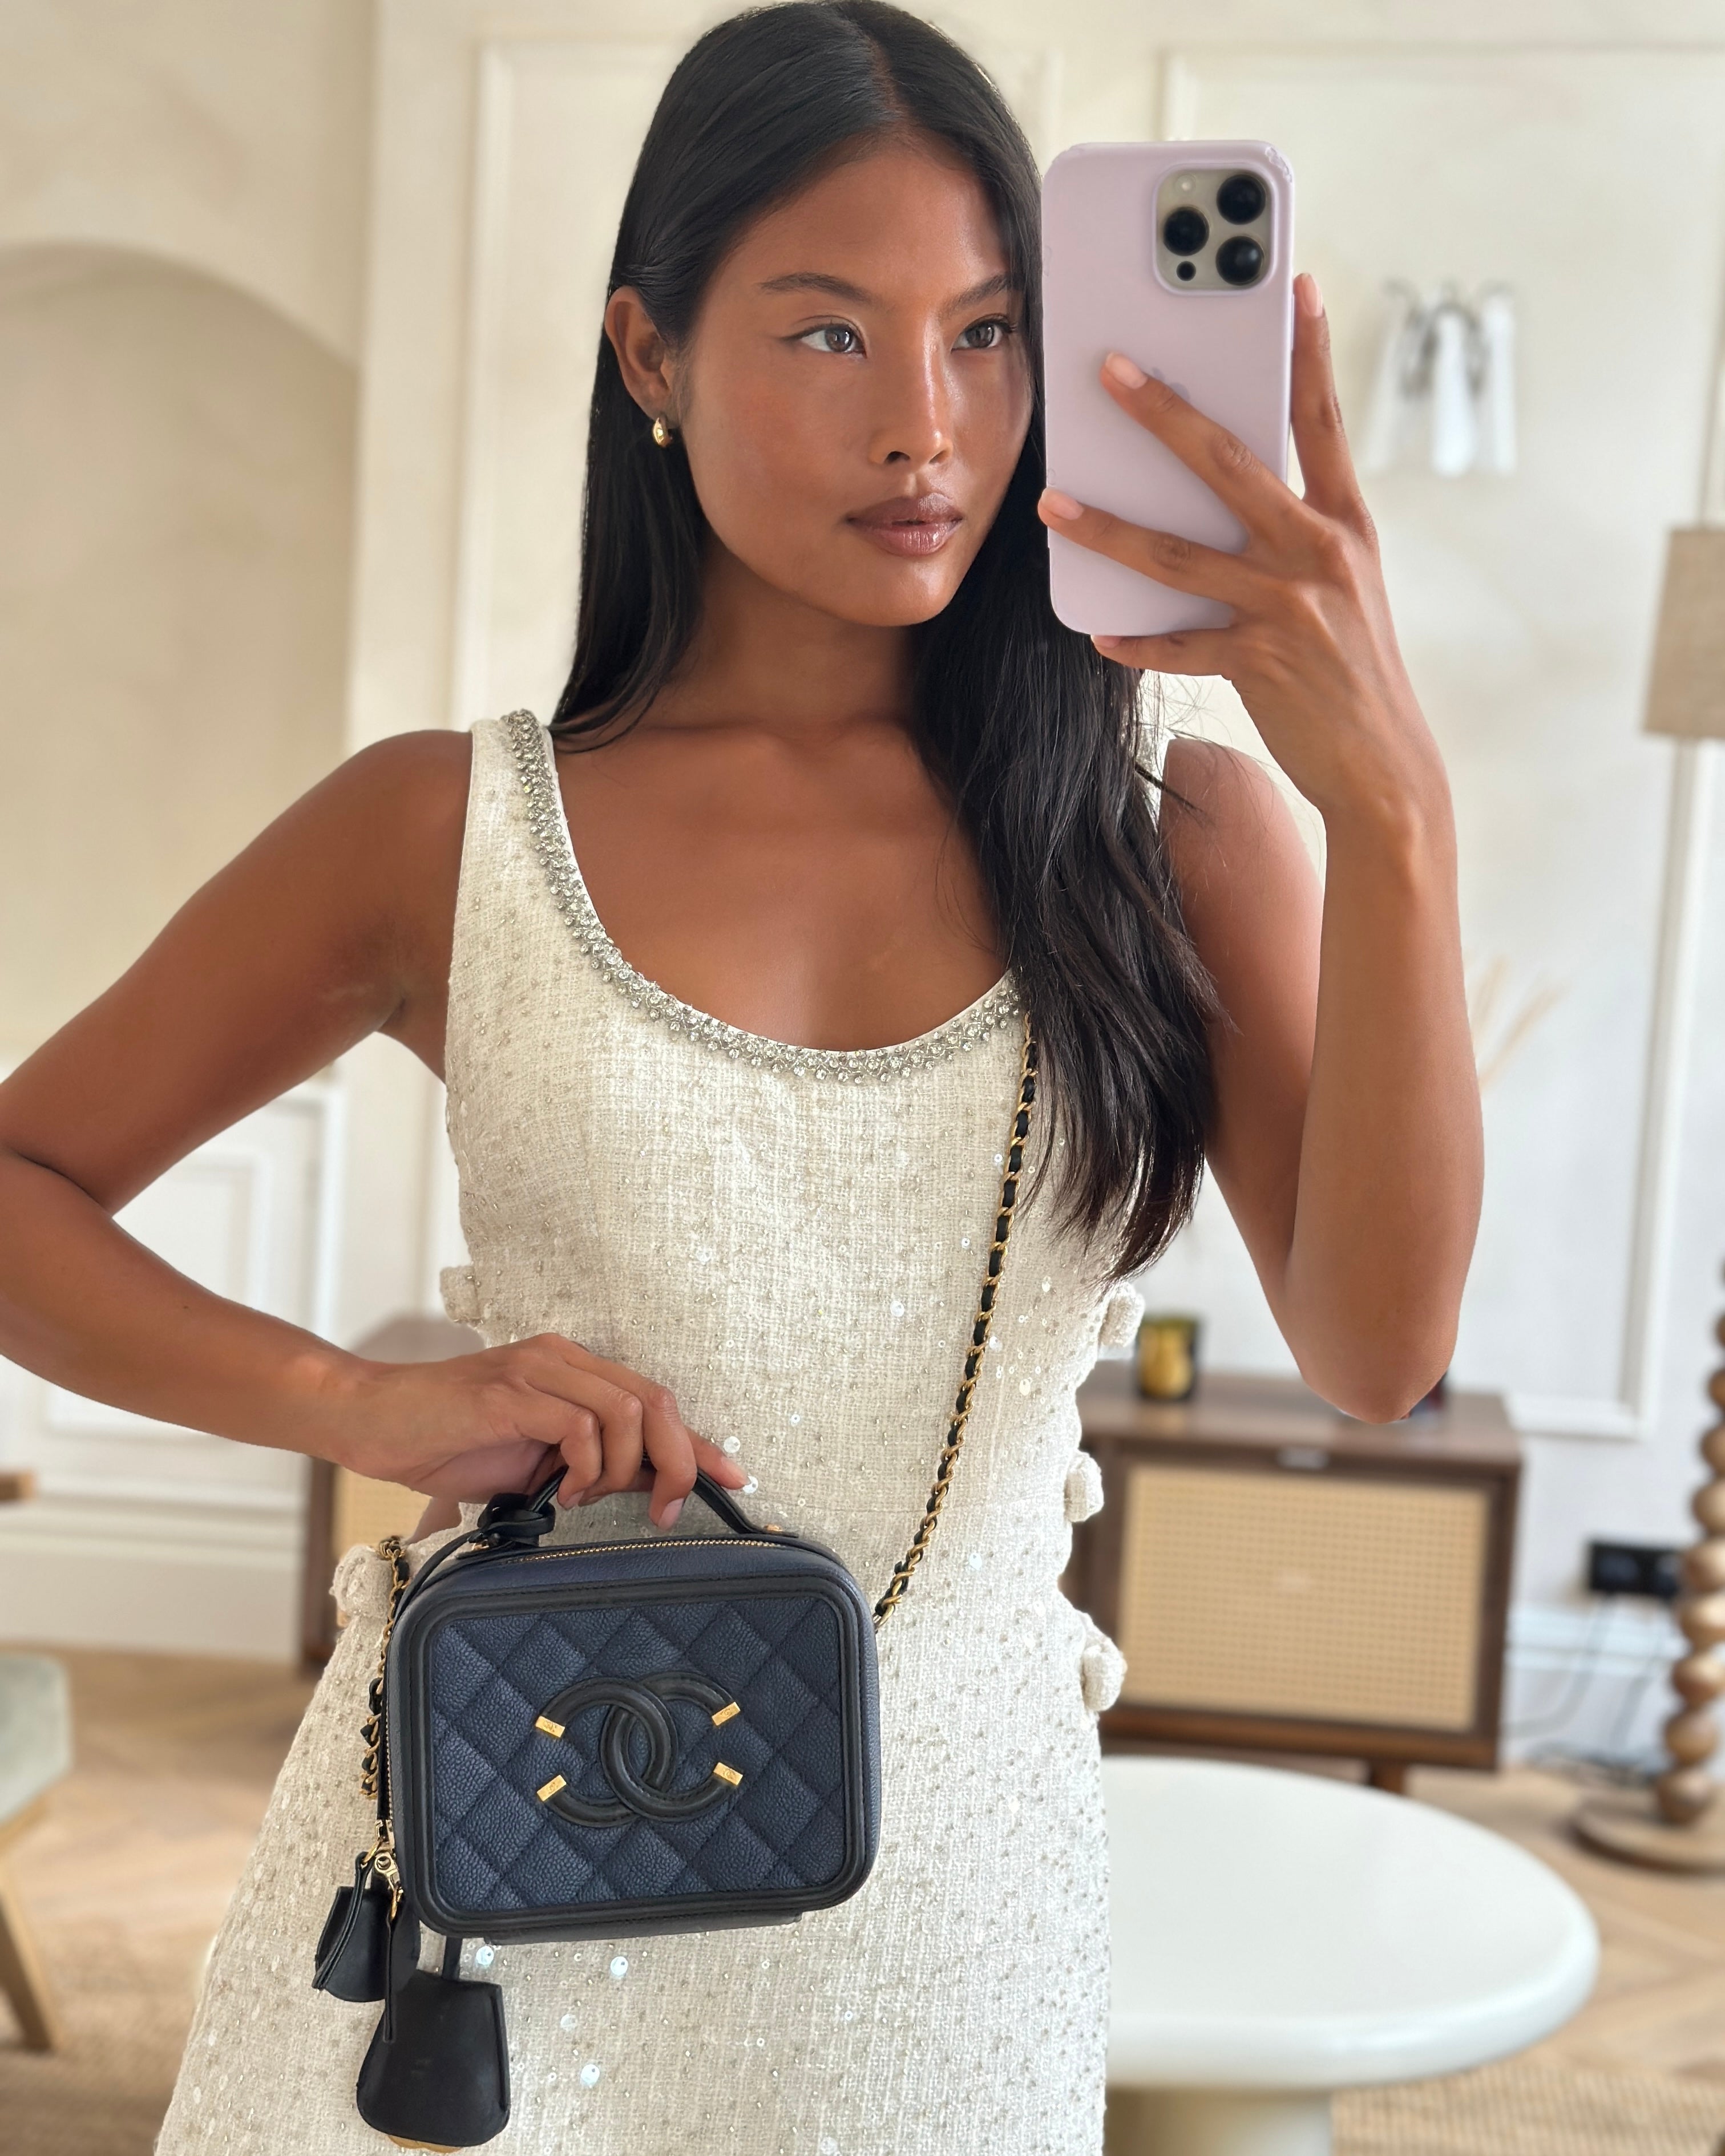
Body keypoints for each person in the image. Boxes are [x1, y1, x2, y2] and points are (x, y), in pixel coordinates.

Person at [0, 4, 1481, 2150]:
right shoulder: (446, 831)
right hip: (484, 1903)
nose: (927, 424)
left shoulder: (1174, 841)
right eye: (828, 333)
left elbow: (1380, 1346)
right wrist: (356, 1402)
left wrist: (1397, 811)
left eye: (987, 333)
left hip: (937, 1932)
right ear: (651, 356)